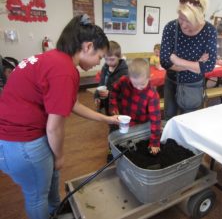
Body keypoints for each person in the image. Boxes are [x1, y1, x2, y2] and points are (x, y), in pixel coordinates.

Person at [0, 14, 119, 219]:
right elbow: (54, 127)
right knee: (37, 197)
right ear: (88, 46)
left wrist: (106, 119)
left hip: (9, 141)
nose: (98, 64)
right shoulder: (64, 70)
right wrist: (60, 156)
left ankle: (56, 212)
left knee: (45, 189)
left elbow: (73, 104)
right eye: (99, 57)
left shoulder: (54, 58)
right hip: (21, 143)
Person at [160, 0, 217, 120]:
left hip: (194, 86)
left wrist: (178, 60)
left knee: (190, 120)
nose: (183, 25)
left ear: (199, 18)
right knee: (170, 119)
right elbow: (165, 62)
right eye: (181, 18)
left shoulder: (209, 31)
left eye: (189, 21)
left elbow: (209, 66)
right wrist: (196, 65)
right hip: (172, 82)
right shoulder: (170, 27)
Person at [109, 58, 161, 154]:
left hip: (139, 125)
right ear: (129, 77)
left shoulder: (152, 95)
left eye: (142, 84)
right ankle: (112, 152)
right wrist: (114, 106)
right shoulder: (123, 80)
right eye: (134, 84)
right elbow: (113, 92)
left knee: (135, 148)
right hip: (123, 120)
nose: (138, 88)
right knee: (117, 140)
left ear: (149, 77)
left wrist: (154, 142)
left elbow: (156, 120)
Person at [94, 40, 128, 114]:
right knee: (110, 121)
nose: (108, 62)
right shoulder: (105, 68)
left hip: (118, 106)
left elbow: (125, 92)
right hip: (107, 103)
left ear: (119, 57)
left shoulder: (124, 72)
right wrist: (97, 95)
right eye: (106, 59)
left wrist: (109, 93)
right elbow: (101, 83)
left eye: (112, 59)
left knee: (117, 123)